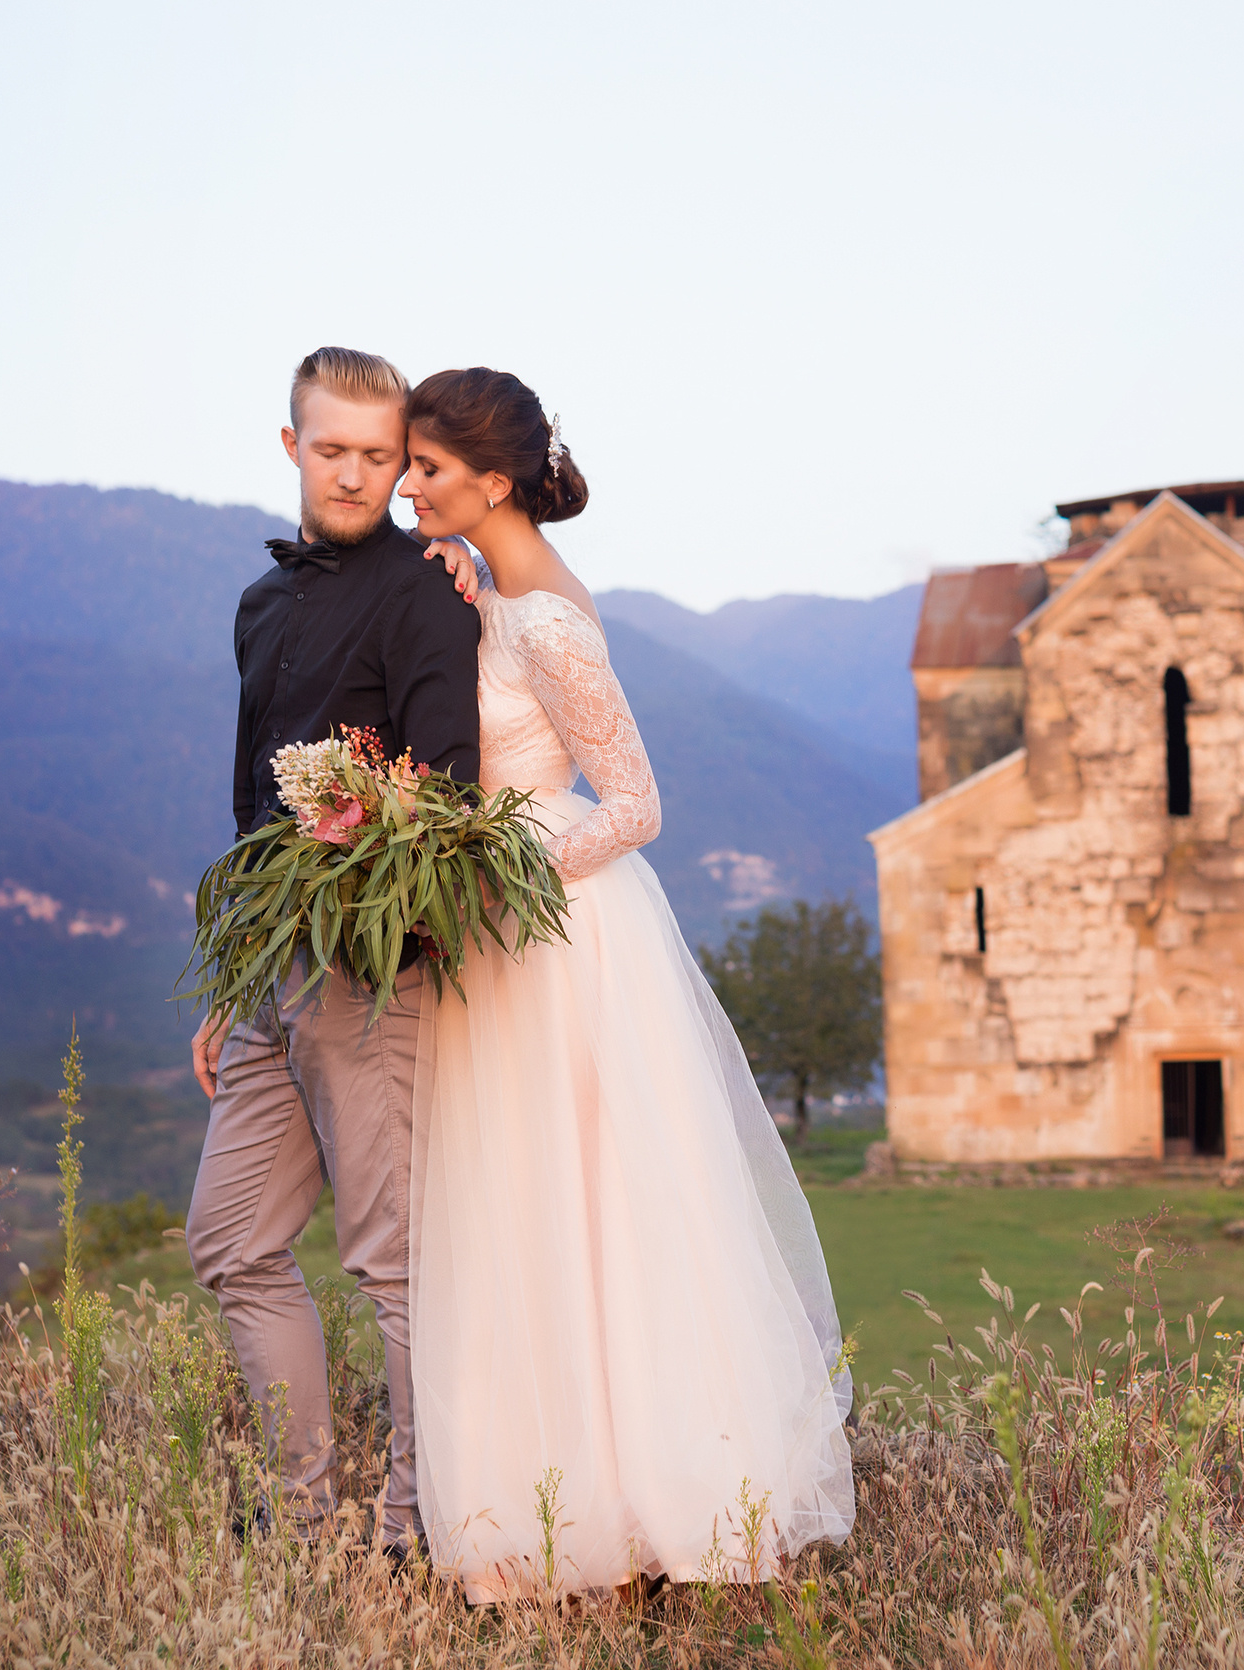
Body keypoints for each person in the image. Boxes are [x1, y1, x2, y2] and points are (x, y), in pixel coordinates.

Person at [397, 368, 855, 1602]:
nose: (407, 485)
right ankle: (551, 1505)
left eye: (428, 468)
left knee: (594, 1206)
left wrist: (494, 873)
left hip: (557, 931)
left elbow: (638, 806)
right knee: (522, 1208)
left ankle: (650, 1502)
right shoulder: (499, 594)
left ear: (493, 482)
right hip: (502, 931)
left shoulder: (547, 621)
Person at [183, 347, 480, 1554]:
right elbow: (250, 804)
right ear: (291, 446)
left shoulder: (425, 593)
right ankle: (302, 1516)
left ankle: (415, 1528)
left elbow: (451, 792)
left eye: (378, 455)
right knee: (230, 1240)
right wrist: (235, 975)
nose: (354, 475)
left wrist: (366, 909)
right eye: (332, 450)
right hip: (271, 972)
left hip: (373, 969)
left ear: (400, 461)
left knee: (389, 1263)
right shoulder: (260, 604)